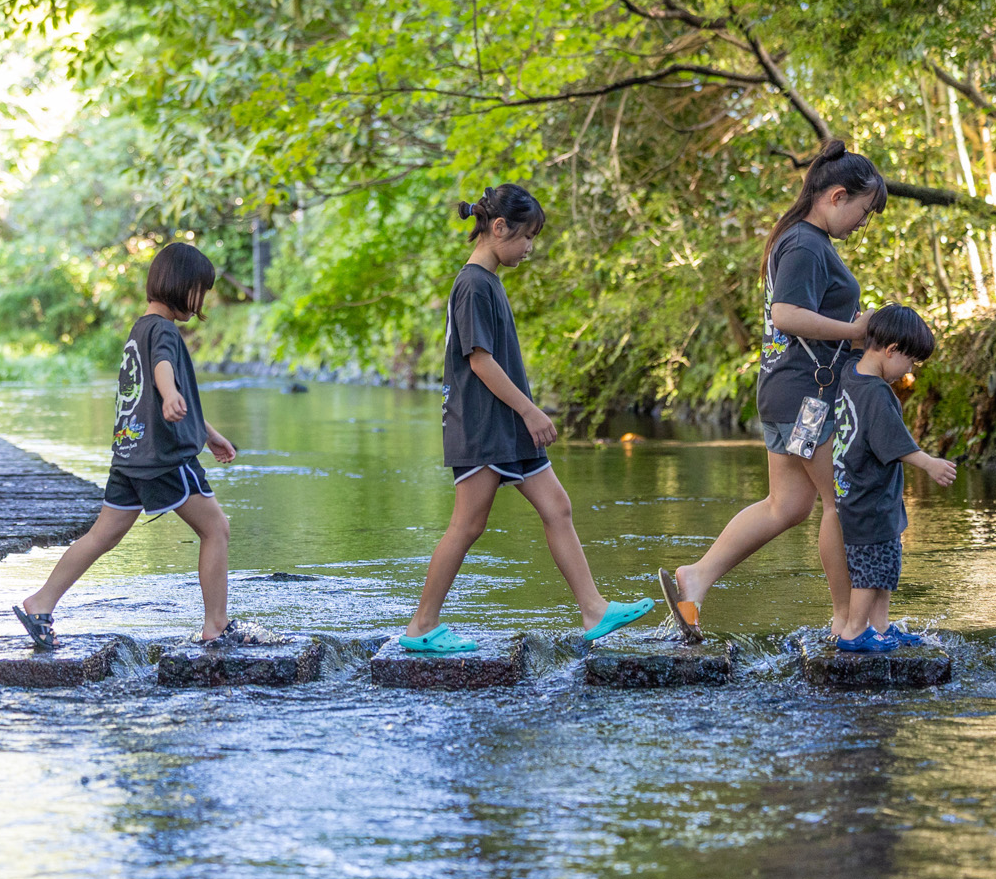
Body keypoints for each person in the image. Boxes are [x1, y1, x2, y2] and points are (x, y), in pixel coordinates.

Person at [398, 184, 655, 653]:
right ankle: (421, 627)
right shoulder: (473, 283)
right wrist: (530, 409)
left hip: (507, 429)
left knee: (558, 507)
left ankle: (594, 610)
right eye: (527, 237)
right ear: (499, 228)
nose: (530, 248)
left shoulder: (489, 281)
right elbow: (479, 361)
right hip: (483, 427)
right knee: (467, 526)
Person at [658, 139, 888, 644]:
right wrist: (855, 330)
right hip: (808, 397)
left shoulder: (798, 240)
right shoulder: (806, 243)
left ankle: (696, 577)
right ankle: (848, 626)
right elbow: (786, 314)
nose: (862, 225)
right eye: (864, 212)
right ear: (836, 196)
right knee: (841, 503)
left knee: (786, 506)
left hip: (788, 390)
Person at [13, 242, 241, 647]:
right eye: (199, 291)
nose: (201, 300)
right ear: (181, 285)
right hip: (164, 458)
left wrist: (209, 434)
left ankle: (41, 600)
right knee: (216, 528)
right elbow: (163, 371)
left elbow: (160, 393)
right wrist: (170, 393)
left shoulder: (140, 329)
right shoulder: (165, 331)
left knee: (103, 535)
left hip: (130, 456)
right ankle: (216, 625)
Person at [825, 304, 956, 651]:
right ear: (891, 350)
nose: (909, 371)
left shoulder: (851, 372)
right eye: (909, 362)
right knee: (870, 572)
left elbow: (855, 348)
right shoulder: (878, 394)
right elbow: (893, 442)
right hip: (872, 499)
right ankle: (854, 631)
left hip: (855, 492)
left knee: (882, 566)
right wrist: (929, 463)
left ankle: (880, 628)